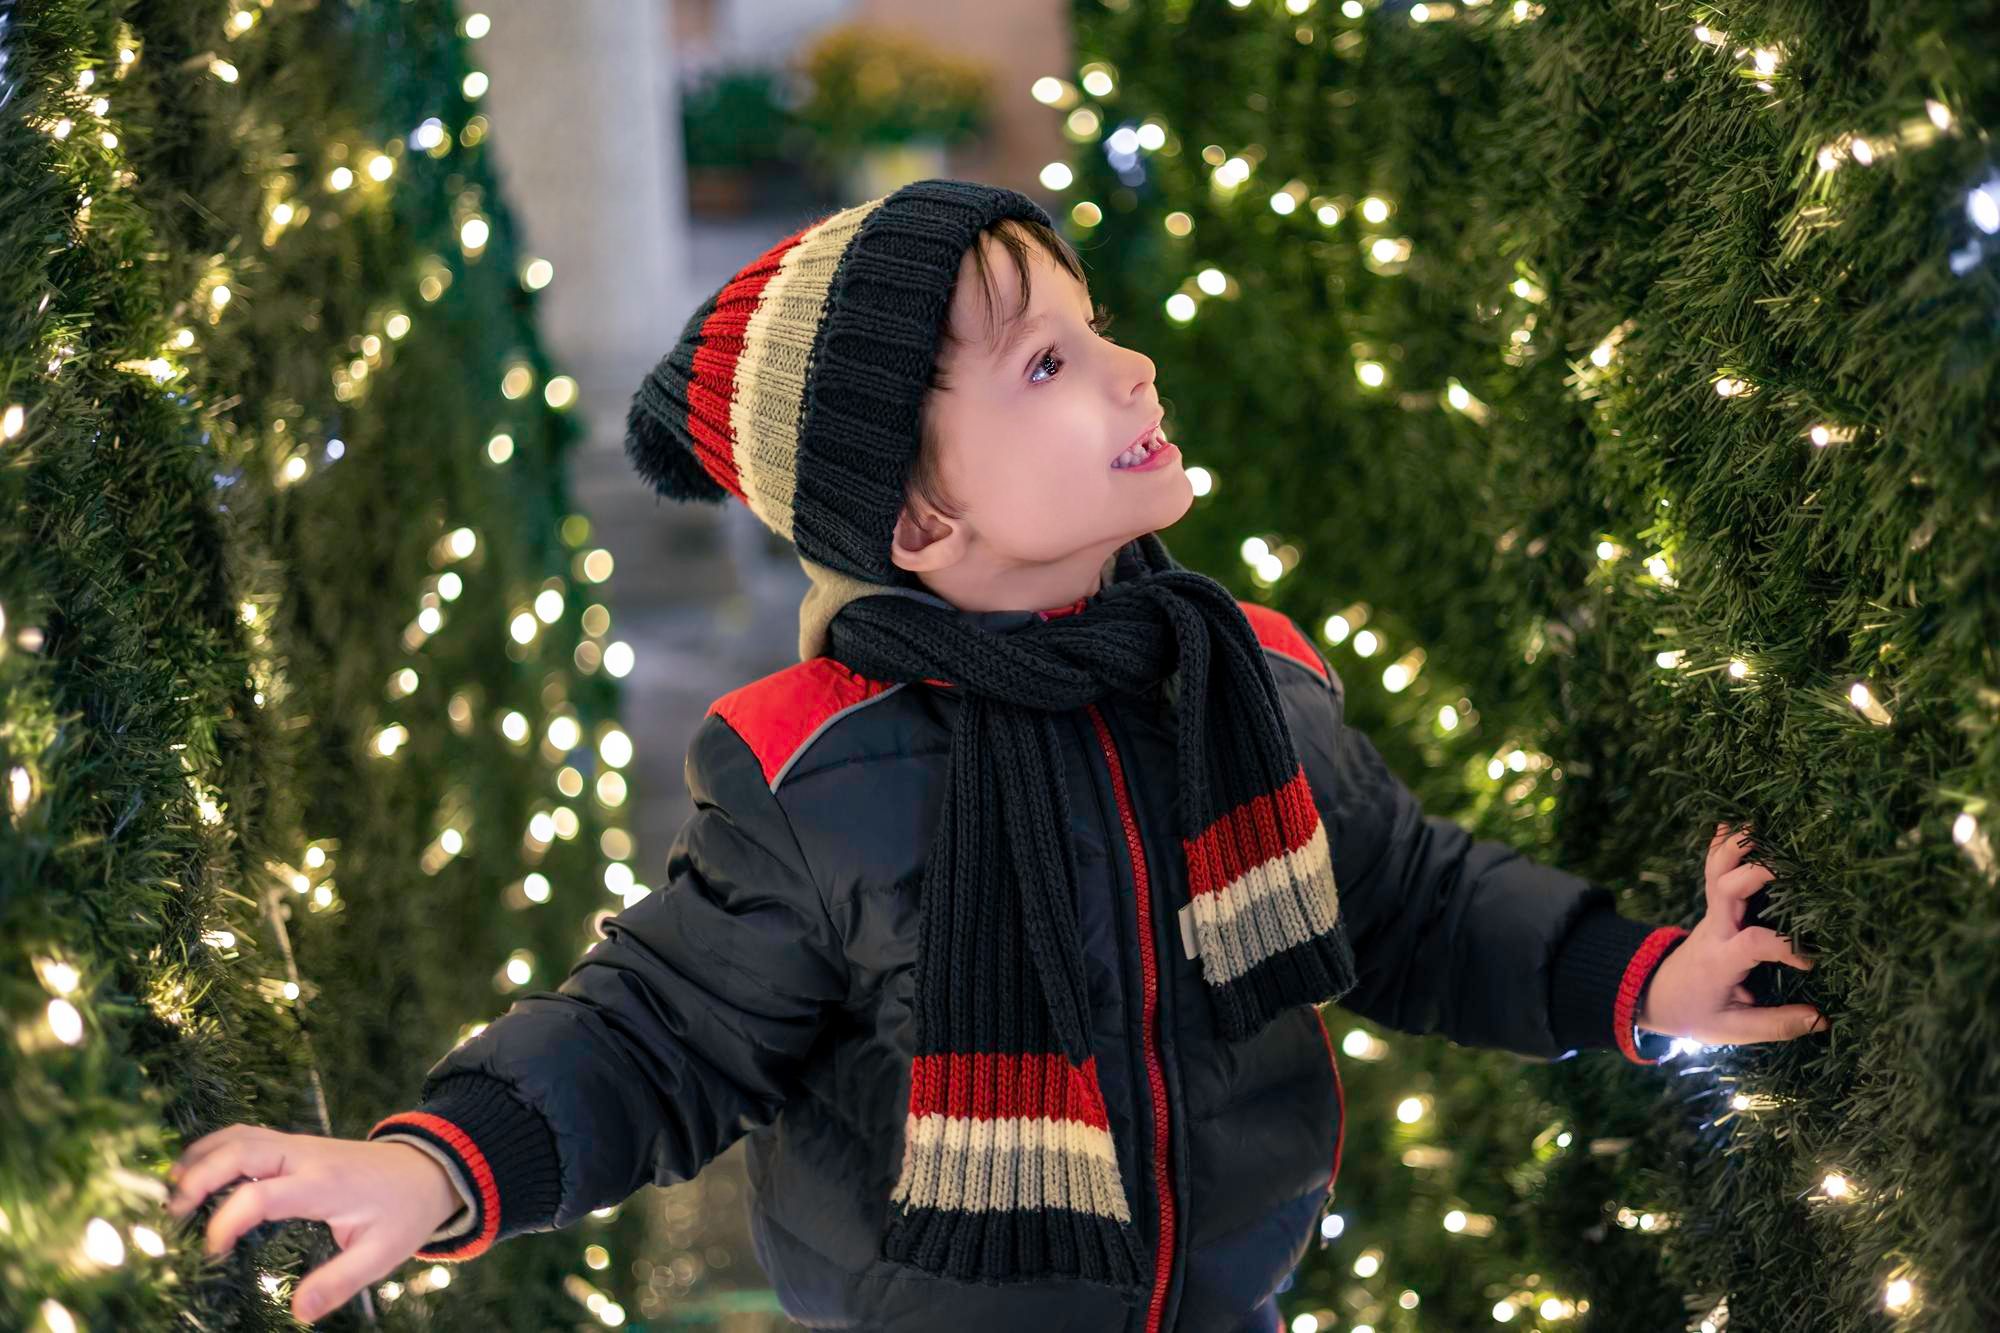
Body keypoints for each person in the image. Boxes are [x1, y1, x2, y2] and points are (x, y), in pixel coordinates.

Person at [165, 179, 1828, 1331]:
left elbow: (1403, 896)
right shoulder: (821, 772)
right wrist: (435, 1162)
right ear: (917, 516)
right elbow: (659, 1035)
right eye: (1049, 363)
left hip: (1226, 1296)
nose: (1129, 367)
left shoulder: (1237, 679)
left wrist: (1639, 978)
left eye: (1094, 331)